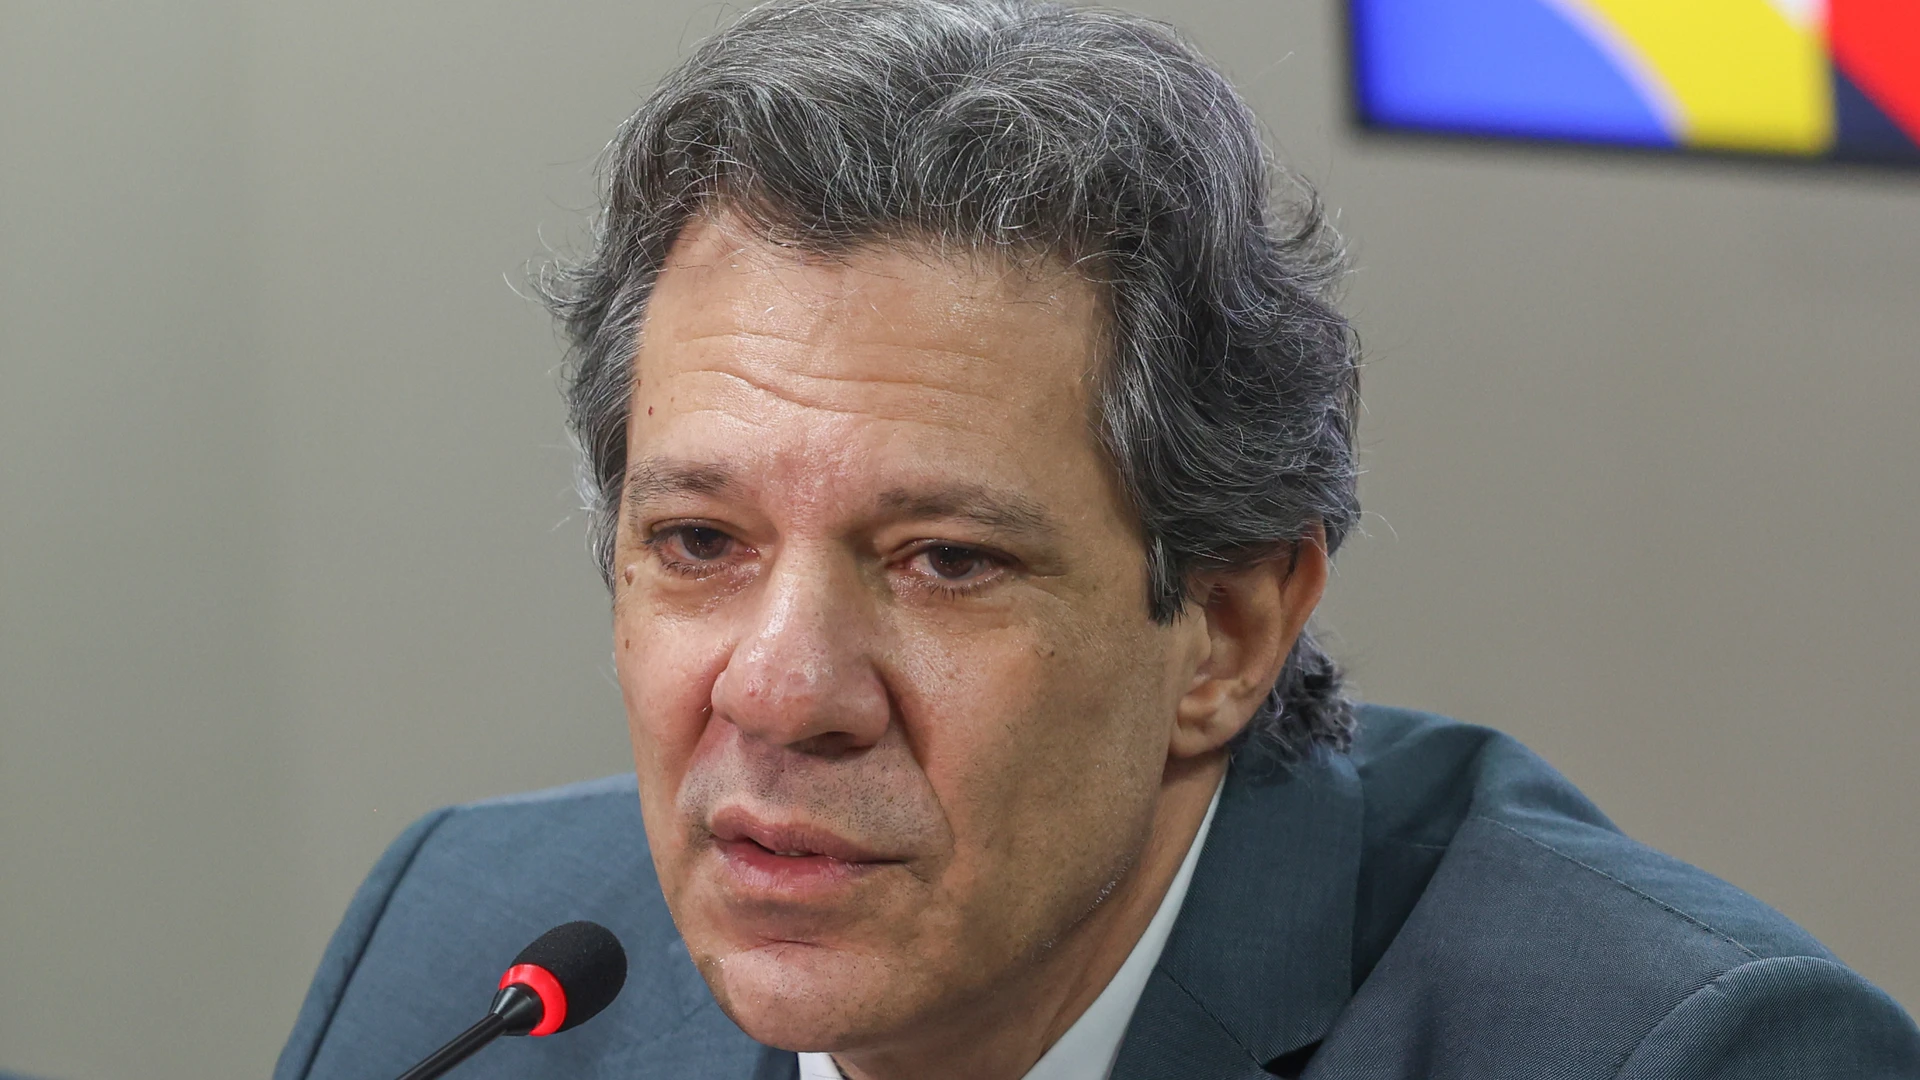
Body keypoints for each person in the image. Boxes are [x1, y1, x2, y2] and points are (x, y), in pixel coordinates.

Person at [274, 1, 1920, 1077]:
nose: (780, 693)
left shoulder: (1676, 1053)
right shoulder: (460, 957)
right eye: (700, 540)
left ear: (1229, 631)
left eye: (944, 560)